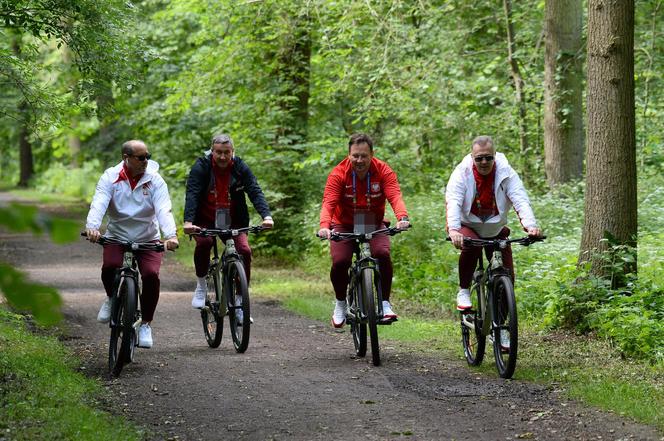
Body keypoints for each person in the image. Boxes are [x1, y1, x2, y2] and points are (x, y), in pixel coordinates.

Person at [85, 139, 179, 349]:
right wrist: (93, 226)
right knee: (110, 267)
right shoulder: (110, 177)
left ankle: (145, 323)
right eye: (141, 157)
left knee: (151, 275)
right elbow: (99, 202)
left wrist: (171, 235)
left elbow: (164, 208)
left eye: (148, 156)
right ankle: (111, 298)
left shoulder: (155, 180)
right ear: (126, 158)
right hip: (117, 235)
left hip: (148, 237)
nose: (146, 161)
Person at [318, 133, 410, 328]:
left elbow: (394, 195)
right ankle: (341, 303)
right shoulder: (338, 173)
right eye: (355, 156)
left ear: (372, 155)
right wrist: (324, 226)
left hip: (372, 221)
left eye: (364, 156)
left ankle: (384, 303)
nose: (359, 160)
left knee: (382, 254)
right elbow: (329, 202)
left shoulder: (383, 170)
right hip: (344, 223)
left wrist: (402, 217)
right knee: (341, 261)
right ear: (349, 154)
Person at [445, 135, 543, 312]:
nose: (484, 162)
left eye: (488, 157)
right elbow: (453, 201)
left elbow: (520, 199)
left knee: (507, 277)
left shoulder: (506, 172)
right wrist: (453, 230)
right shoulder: (462, 173)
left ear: (495, 155)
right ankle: (464, 290)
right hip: (468, 225)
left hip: (495, 228)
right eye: (479, 158)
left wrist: (531, 226)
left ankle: (502, 326)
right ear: (472, 156)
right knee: (471, 246)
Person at [183, 133, 273, 322]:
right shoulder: (202, 166)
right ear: (212, 152)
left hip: (234, 220)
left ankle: (240, 301)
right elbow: (192, 193)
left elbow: (255, 190)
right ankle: (201, 285)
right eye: (218, 152)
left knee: (244, 251)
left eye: (227, 152)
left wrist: (266, 216)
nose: (223, 157)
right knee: (204, 244)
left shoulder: (240, 167)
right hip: (204, 219)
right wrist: (189, 222)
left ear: (233, 151)